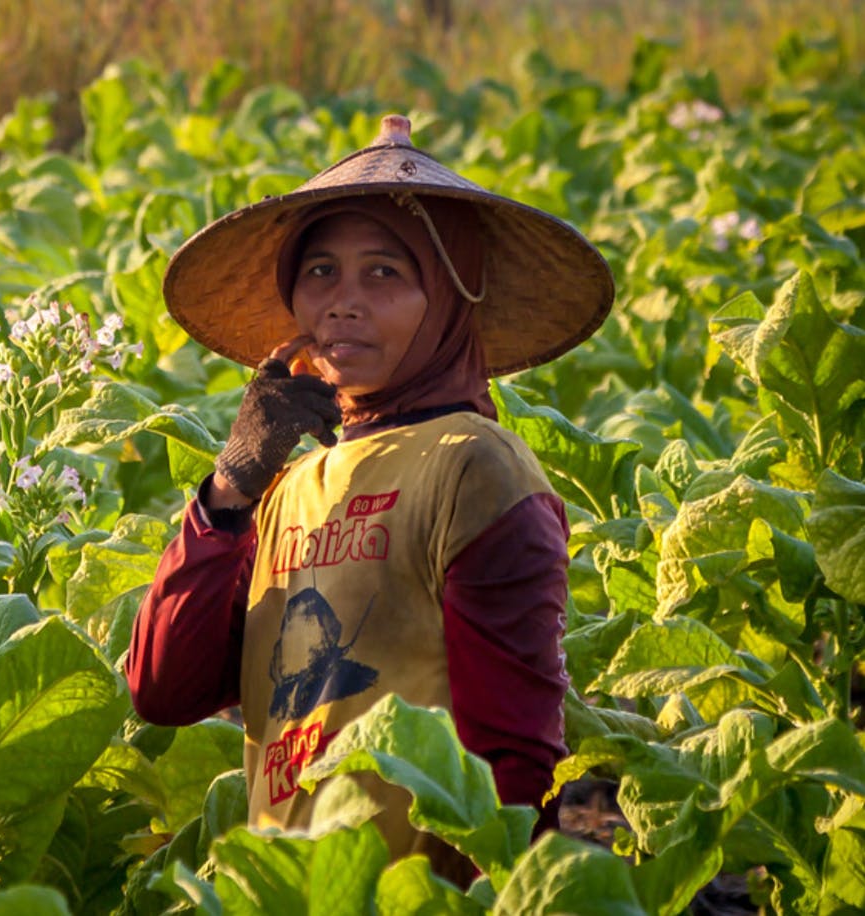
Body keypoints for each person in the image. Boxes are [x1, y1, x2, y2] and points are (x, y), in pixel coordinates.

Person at [124, 114, 614, 878]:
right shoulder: (288, 483)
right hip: (293, 892)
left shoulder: (475, 468)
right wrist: (231, 484)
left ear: (450, 299)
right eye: (320, 273)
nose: (342, 303)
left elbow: (515, 761)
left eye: (384, 272)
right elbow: (162, 687)